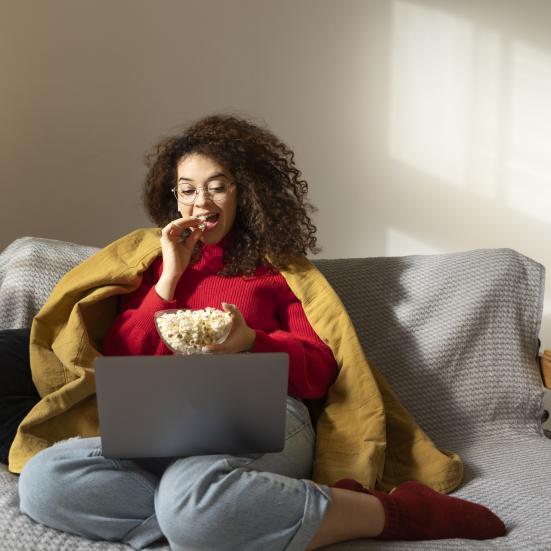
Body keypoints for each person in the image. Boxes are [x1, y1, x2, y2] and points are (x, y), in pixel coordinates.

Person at [16, 114, 506, 550]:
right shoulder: (149, 265)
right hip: (164, 420)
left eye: (216, 186)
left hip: (263, 414)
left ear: (244, 192)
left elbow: (320, 372)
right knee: (45, 479)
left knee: (192, 493)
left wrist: (251, 341)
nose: (199, 201)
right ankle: (205, 524)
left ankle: (392, 514)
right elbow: (121, 361)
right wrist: (168, 278)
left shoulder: (277, 270)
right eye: (186, 188)